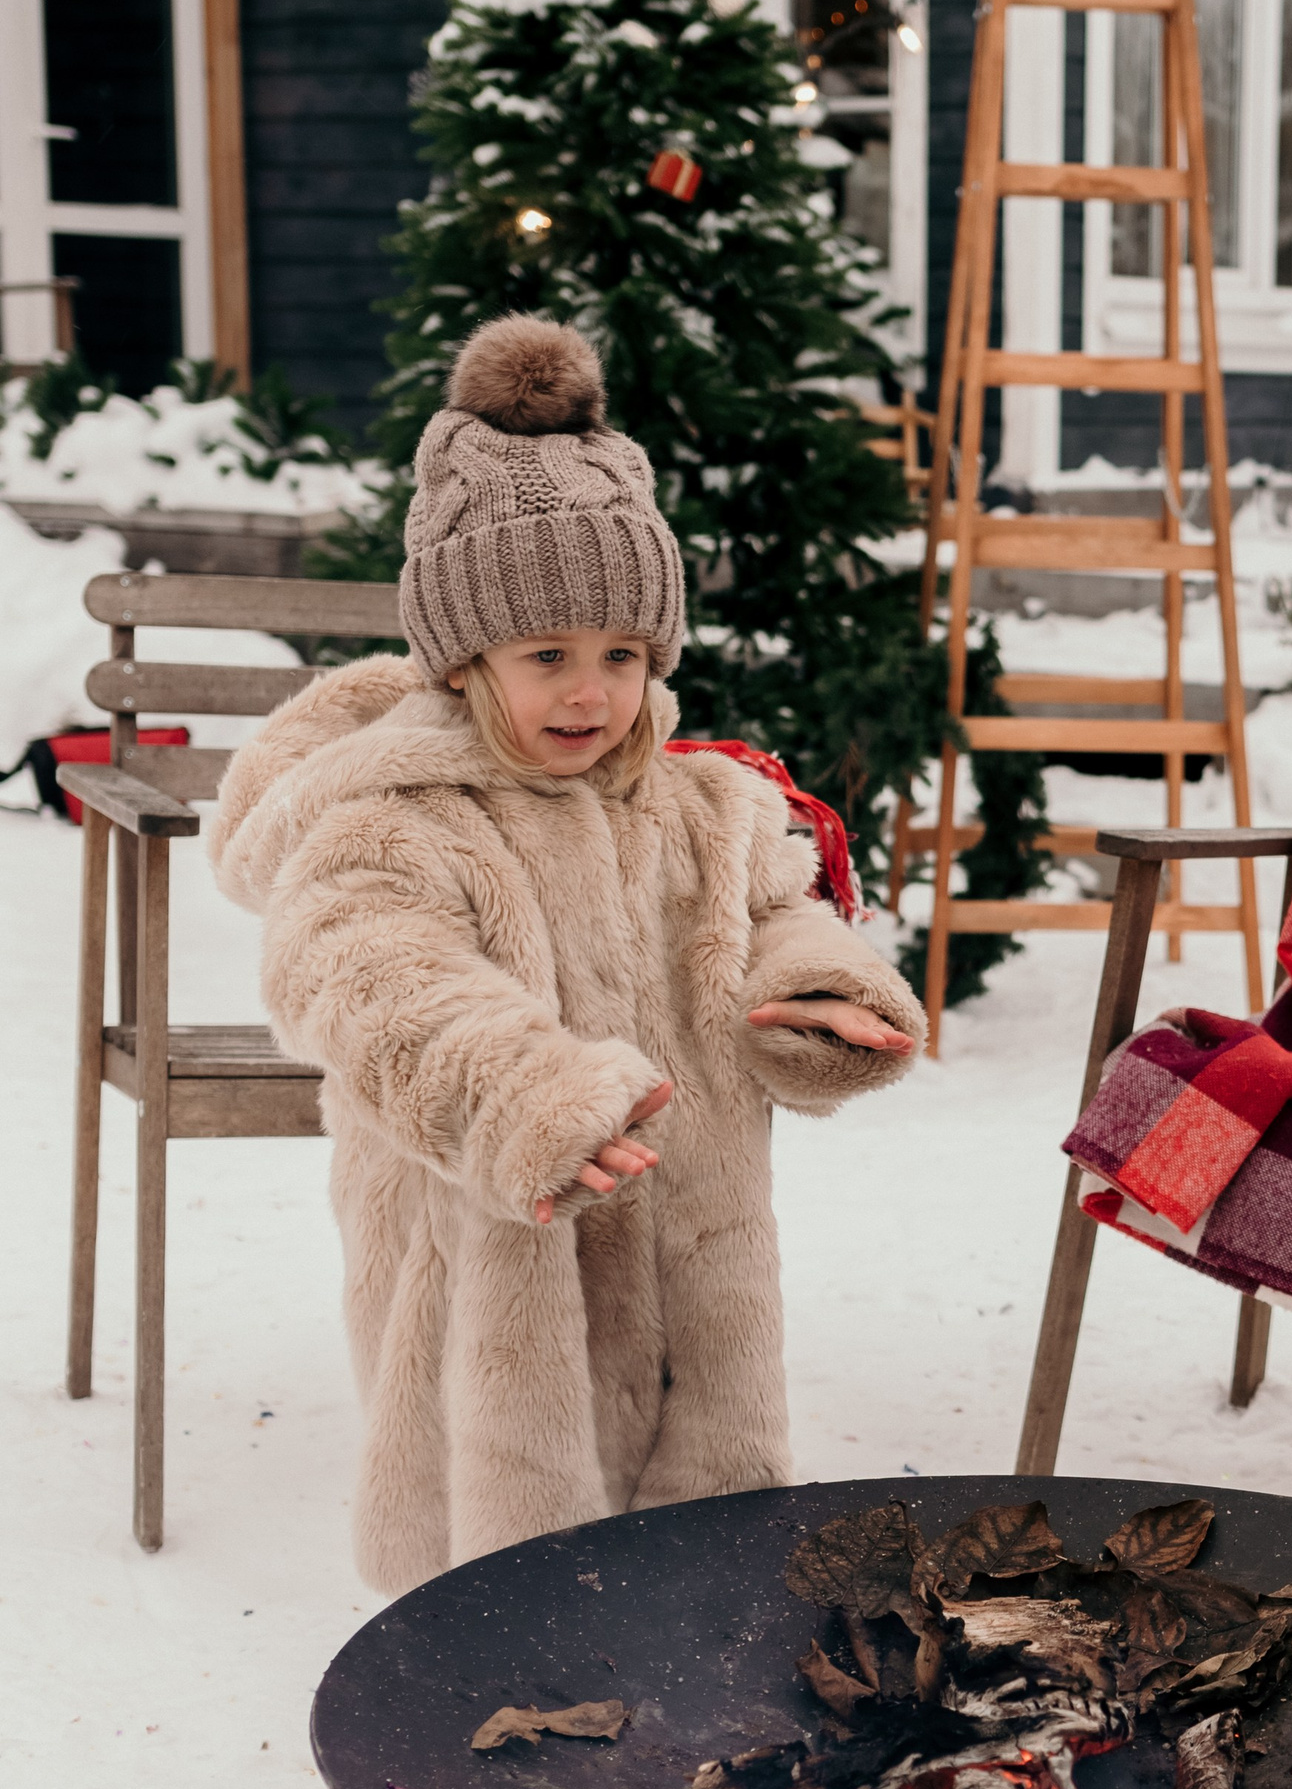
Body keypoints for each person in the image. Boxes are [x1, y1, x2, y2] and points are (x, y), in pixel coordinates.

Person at [211, 315, 924, 1595]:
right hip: (493, 1256)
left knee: (692, 1563)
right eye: (546, 657)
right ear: (464, 653)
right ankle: (479, 1705)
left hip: (693, 1247)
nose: (588, 694)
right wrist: (515, 1091)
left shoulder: (700, 802)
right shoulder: (392, 817)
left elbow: (770, 910)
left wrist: (812, 991)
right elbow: (367, 978)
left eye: (621, 656)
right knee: (509, 1574)